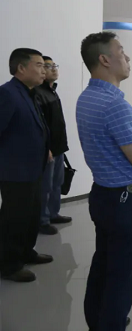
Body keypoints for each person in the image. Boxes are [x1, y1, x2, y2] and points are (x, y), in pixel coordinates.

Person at [76, 32, 132, 331]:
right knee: (122, 274)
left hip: (103, 194)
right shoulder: (115, 104)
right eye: (122, 52)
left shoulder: (87, 98)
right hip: (124, 201)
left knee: (103, 263)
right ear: (104, 59)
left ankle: (98, 320)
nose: (127, 58)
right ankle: (112, 323)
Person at [0, 48, 54, 283]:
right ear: (21, 68)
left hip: (33, 168)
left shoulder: (29, 93)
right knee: (14, 218)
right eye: (39, 65)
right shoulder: (8, 94)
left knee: (31, 215)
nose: (44, 70)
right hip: (15, 170)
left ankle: (26, 252)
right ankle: (9, 264)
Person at [36, 56, 72, 235]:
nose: (53, 69)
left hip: (59, 147)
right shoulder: (37, 93)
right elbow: (40, 125)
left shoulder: (52, 91)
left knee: (57, 183)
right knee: (45, 186)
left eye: (54, 65)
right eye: (48, 66)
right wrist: (46, 147)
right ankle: (42, 220)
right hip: (48, 150)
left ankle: (53, 214)